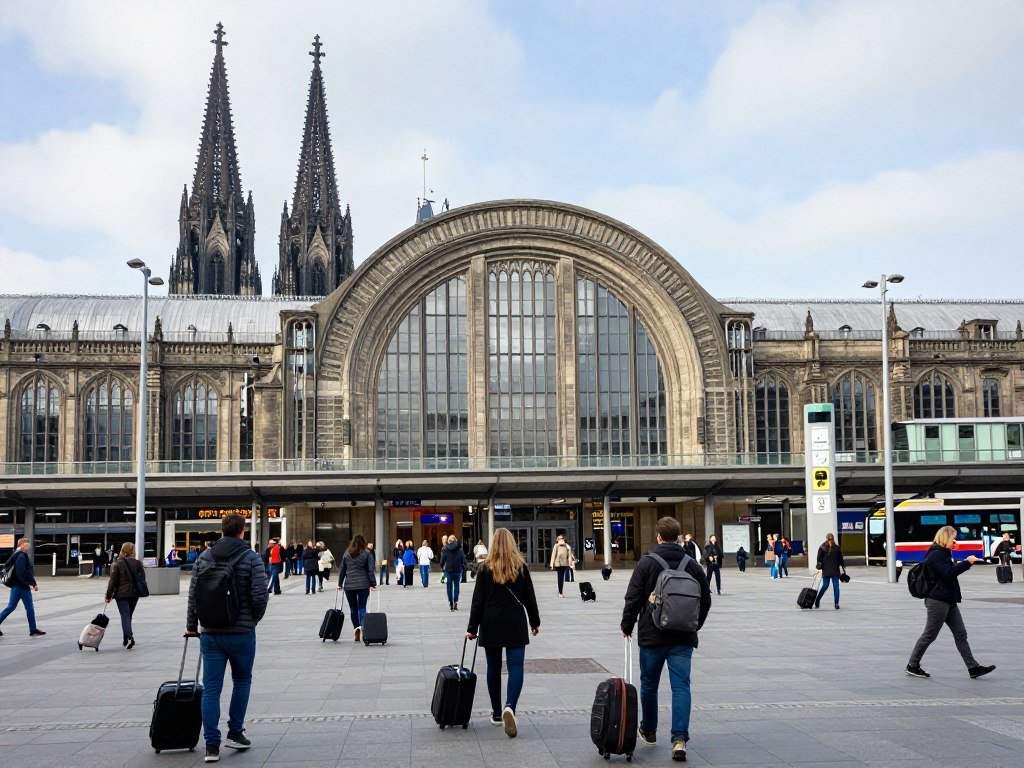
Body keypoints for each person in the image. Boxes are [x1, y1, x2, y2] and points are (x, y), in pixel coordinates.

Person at [621, 517, 712, 763]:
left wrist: (627, 626)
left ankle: (649, 731)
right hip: (683, 637)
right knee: (681, 686)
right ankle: (679, 739)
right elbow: (705, 600)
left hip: (652, 636)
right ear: (679, 537)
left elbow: (633, 598)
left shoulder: (646, 563)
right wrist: (694, 625)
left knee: (649, 684)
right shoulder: (691, 564)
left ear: (659, 537)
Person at [185, 512, 268, 763]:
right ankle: (235, 732)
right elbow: (260, 595)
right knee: (242, 681)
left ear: (221, 530)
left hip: (210, 632)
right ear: (242, 531)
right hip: (242, 633)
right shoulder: (251, 558)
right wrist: (252, 620)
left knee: (211, 689)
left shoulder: (203, 558)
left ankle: (211, 745)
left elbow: (193, 595)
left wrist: (192, 625)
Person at [466, 528, 541, 739]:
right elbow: (530, 598)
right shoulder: (521, 567)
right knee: (516, 666)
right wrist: (534, 622)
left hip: (491, 622)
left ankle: (497, 713)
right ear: (512, 543)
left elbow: (477, 602)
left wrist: (472, 628)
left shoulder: (484, 568)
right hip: (515, 621)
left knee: (494, 667)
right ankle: (511, 706)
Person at [906, 526, 995, 680]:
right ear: (945, 538)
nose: (955, 541)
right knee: (930, 635)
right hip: (938, 601)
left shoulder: (943, 553)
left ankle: (973, 668)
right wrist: (967, 563)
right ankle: (912, 665)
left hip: (949, 600)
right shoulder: (936, 555)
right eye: (953, 538)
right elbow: (949, 574)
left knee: (961, 634)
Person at [0, 538, 45, 637]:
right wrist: (32, 583)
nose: (28, 546)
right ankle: (33, 629)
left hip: (16, 586)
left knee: (11, 607)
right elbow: (22, 572)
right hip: (22, 586)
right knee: (29, 608)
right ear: (21, 544)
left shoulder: (15, 554)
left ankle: (33, 629)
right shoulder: (21, 555)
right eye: (26, 544)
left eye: (28, 544)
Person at [105, 541, 146, 649]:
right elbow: (142, 579)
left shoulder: (117, 563)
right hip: (134, 594)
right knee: (128, 616)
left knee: (125, 615)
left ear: (123, 550)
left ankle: (129, 637)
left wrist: (108, 596)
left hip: (121, 594)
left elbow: (112, 582)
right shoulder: (138, 563)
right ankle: (126, 638)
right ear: (133, 551)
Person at [337, 534, 377, 641]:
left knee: (353, 608)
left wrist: (340, 583)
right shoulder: (367, 553)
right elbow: (370, 571)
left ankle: (356, 628)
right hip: (363, 584)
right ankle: (363, 628)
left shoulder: (347, 553)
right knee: (362, 607)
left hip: (349, 585)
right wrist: (373, 584)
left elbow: (342, 570)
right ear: (364, 542)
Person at [814, 533, 846, 609]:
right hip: (835, 570)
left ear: (826, 538)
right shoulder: (837, 548)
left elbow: (819, 559)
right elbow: (841, 560)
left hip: (826, 570)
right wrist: (843, 568)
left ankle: (817, 601)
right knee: (836, 587)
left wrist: (821, 566)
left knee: (825, 586)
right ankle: (836, 604)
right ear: (833, 538)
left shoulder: (822, 547)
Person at [440, 534, 467, 610]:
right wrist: (464, 565)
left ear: (449, 541)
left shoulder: (445, 548)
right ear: (455, 540)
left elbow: (442, 560)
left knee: (449, 587)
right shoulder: (460, 549)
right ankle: (455, 602)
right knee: (456, 586)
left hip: (448, 570)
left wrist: (442, 566)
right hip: (457, 570)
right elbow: (463, 559)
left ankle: (450, 603)